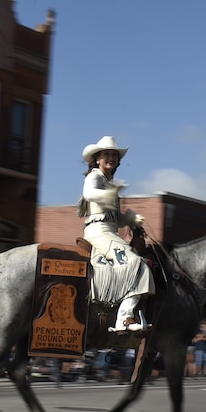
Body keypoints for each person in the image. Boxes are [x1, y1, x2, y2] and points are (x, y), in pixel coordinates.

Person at [80, 136, 154, 333]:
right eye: (106, 154)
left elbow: (113, 218)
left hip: (109, 231)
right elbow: (89, 194)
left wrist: (130, 219)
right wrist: (110, 194)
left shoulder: (108, 180)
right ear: (97, 159)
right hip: (98, 232)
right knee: (136, 265)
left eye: (113, 155)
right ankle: (124, 318)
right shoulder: (94, 177)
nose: (110, 158)